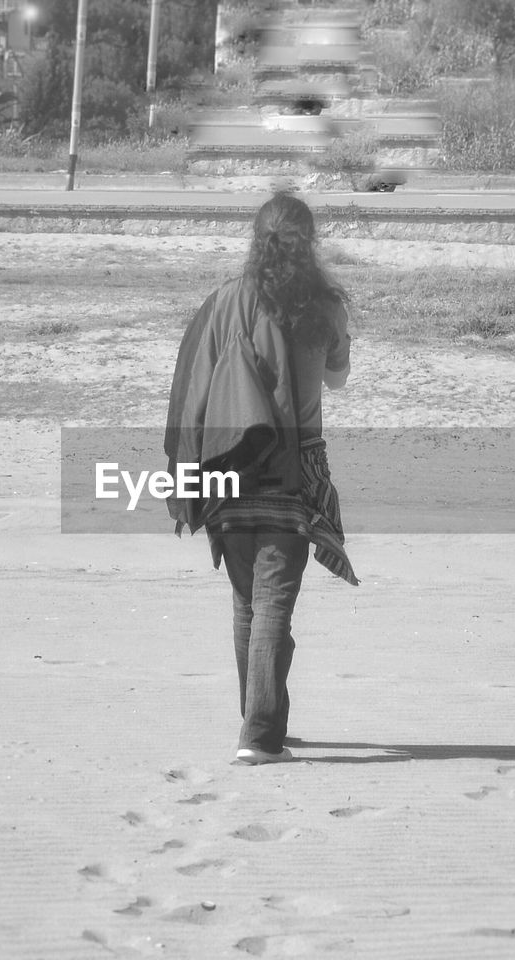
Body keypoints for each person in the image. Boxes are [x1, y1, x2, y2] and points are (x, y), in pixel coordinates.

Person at [164, 193, 357, 766]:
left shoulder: (225, 301)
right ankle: (262, 734)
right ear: (311, 241)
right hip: (290, 471)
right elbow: (338, 378)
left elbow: (195, 389)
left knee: (248, 597)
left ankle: (256, 716)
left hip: (227, 465)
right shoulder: (324, 307)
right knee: (273, 600)